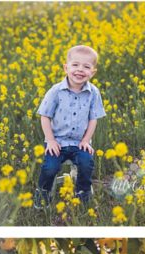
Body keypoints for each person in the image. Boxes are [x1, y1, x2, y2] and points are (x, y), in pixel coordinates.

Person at [34, 45, 106, 208]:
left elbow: (93, 119)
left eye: (86, 67)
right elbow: (45, 116)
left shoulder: (94, 93)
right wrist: (50, 141)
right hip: (57, 142)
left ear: (92, 72)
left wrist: (86, 140)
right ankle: (43, 195)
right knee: (50, 168)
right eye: (75, 65)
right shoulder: (56, 91)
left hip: (79, 142)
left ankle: (82, 193)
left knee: (86, 164)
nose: (80, 70)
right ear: (66, 68)